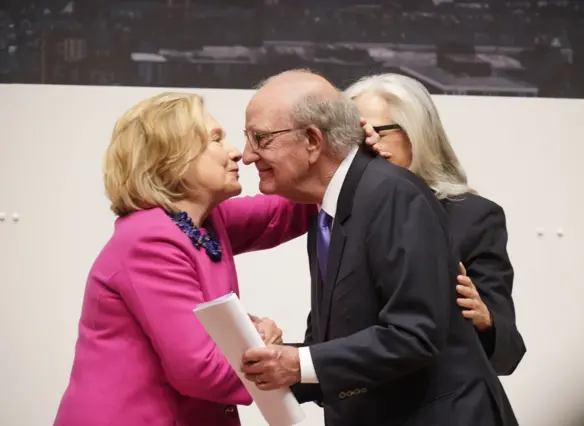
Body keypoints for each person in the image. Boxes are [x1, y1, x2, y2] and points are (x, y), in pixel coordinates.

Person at [238, 70, 517, 426]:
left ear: (312, 140)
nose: (247, 156)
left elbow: (413, 335)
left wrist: (296, 364)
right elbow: (338, 339)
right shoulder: (331, 209)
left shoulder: (392, 196)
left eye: (260, 139)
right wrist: (267, 362)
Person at [53, 92, 318, 426]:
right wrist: (275, 354)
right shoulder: (150, 239)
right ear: (171, 159)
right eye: (216, 140)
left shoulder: (206, 221)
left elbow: (290, 209)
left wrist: (344, 159)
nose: (236, 151)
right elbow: (201, 370)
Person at [345, 72, 526, 375]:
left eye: (374, 132)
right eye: (352, 137)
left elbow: (508, 354)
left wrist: (484, 319)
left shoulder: (473, 218)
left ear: (416, 134)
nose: (365, 147)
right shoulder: (341, 219)